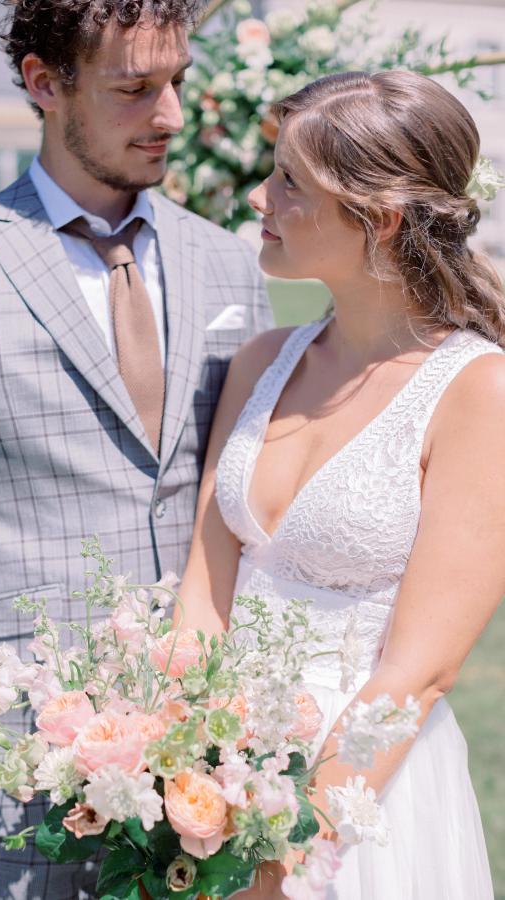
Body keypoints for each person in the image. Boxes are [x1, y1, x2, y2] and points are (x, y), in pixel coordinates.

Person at [0, 0, 273, 896]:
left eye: (178, 81)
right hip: (22, 782)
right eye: (134, 88)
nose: (172, 115)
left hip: (212, 776)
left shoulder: (231, 265)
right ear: (44, 84)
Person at [178, 70, 505, 899]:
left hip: (363, 801)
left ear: (381, 220)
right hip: (213, 791)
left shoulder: (476, 392)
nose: (260, 197)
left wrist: (278, 855)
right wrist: (180, 785)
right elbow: (203, 595)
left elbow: (420, 674)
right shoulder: (260, 364)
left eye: (290, 181)